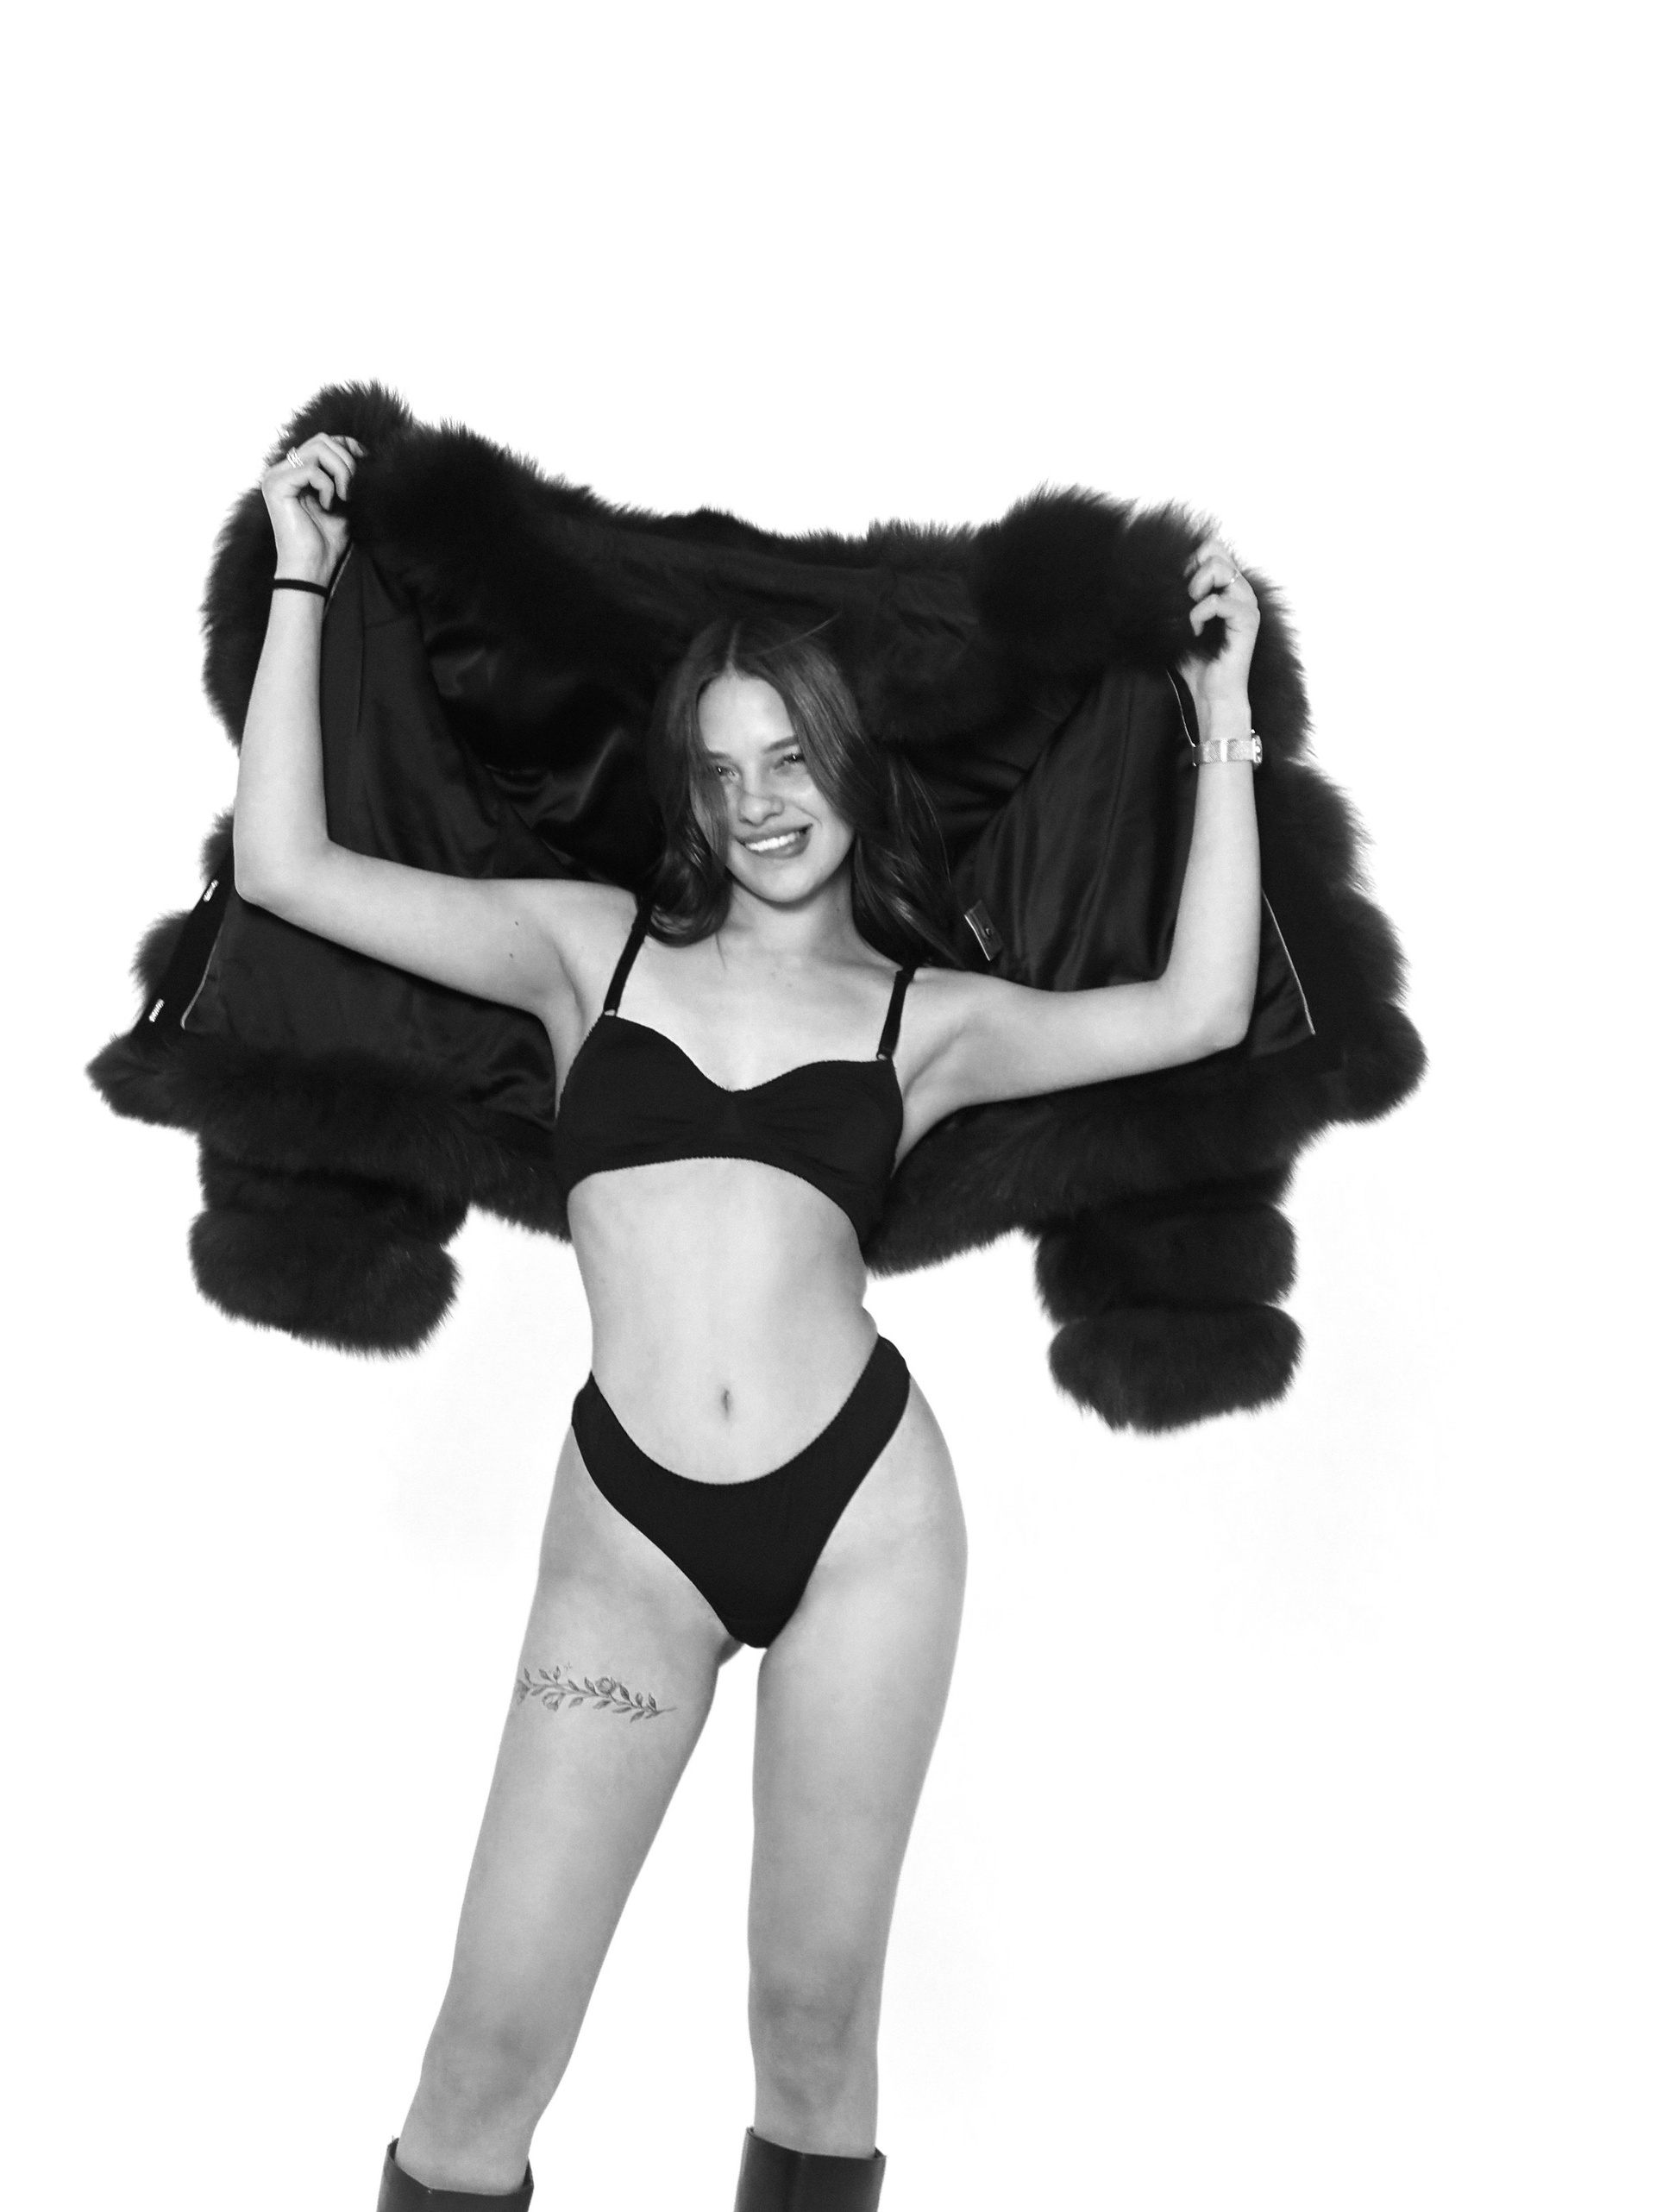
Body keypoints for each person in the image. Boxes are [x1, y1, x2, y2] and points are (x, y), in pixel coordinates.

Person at [237, 430, 1264, 2211]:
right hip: (630, 1542)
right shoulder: (590, 950)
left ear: (853, 765)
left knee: (810, 2026)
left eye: (792, 758)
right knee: (482, 2062)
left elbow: (1197, 1008)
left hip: (864, 1520)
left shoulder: (930, 1018)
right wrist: (301, 577)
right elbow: (287, 867)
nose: (760, 801)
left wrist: (1224, 721)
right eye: (721, 772)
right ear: (686, 796)